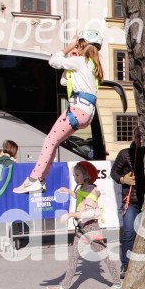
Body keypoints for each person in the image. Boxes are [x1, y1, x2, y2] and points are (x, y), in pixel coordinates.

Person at [13, 30, 104, 193]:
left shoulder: (80, 61)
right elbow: (64, 81)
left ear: (82, 44)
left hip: (77, 110)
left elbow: (53, 61)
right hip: (86, 114)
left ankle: (34, 179)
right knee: (53, 143)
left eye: (78, 44)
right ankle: (40, 180)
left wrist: (69, 47)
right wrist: (71, 59)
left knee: (49, 141)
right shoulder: (92, 65)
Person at [47, 161, 122, 289]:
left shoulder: (91, 191)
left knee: (104, 255)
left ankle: (117, 284)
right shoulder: (84, 188)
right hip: (82, 229)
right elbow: (79, 197)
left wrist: (71, 215)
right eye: (74, 175)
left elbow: (92, 212)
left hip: (91, 228)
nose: (75, 178)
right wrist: (69, 191)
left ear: (86, 176)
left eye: (77, 175)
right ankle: (64, 287)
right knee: (74, 256)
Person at [110, 126, 145, 279]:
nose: (140, 139)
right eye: (138, 136)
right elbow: (114, 172)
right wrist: (123, 179)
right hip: (130, 201)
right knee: (128, 232)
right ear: (134, 136)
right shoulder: (125, 154)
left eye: (143, 137)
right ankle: (125, 264)